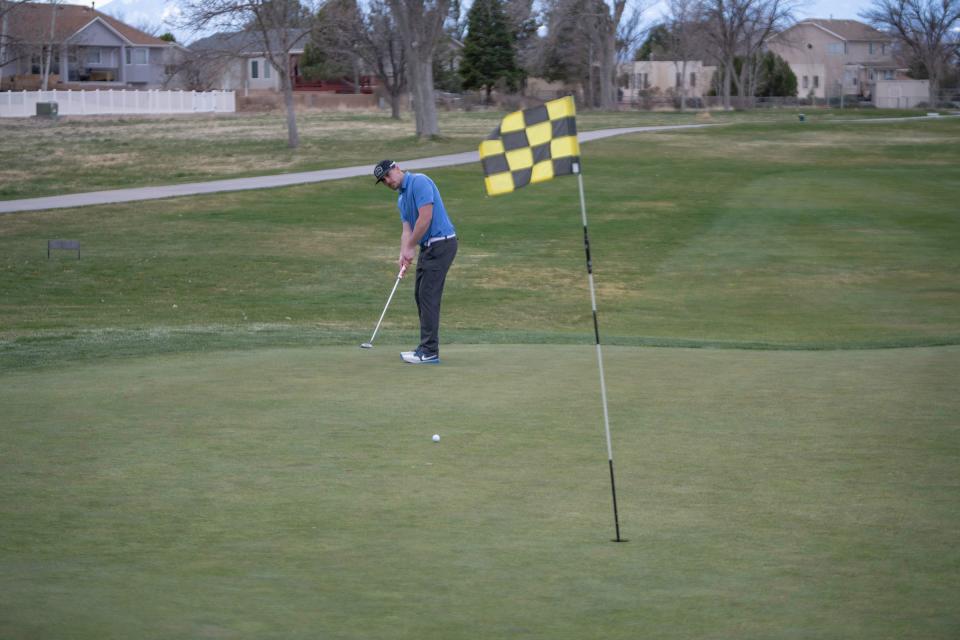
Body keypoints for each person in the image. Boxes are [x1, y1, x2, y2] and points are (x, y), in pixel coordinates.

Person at [373, 159, 457, 364]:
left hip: (442, 244)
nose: (387, 181)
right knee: (420, 295)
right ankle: (425, 347)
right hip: (429, 247)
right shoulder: (401, 199)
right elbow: (407, 229)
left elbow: (425, 218)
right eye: (382, 180)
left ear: (397, 168)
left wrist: (411, 246)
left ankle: (429, 351)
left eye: (387, 175)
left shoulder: (419, 182)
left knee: (427, 295)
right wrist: (404, 252)